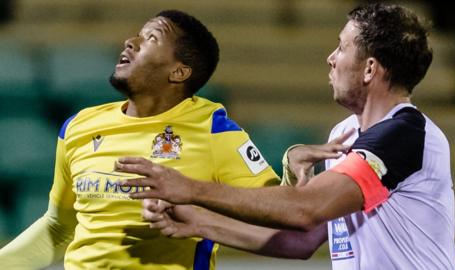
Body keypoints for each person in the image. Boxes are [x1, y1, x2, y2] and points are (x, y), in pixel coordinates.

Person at [118, 3, 455, 269]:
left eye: (341, 48)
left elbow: (305, 210)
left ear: (369, 68)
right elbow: (303, 239)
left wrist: (189, 189)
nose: (331, 59)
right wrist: (196, 222)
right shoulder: (345, 134)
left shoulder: (406, 134)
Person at [0, 10, 283, 270]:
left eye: (150, 38)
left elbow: (278, 213)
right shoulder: (78, 126)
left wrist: (291, 176)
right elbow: (59, 227)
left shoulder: (214, 130)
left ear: (179, 71)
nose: (130, 42)